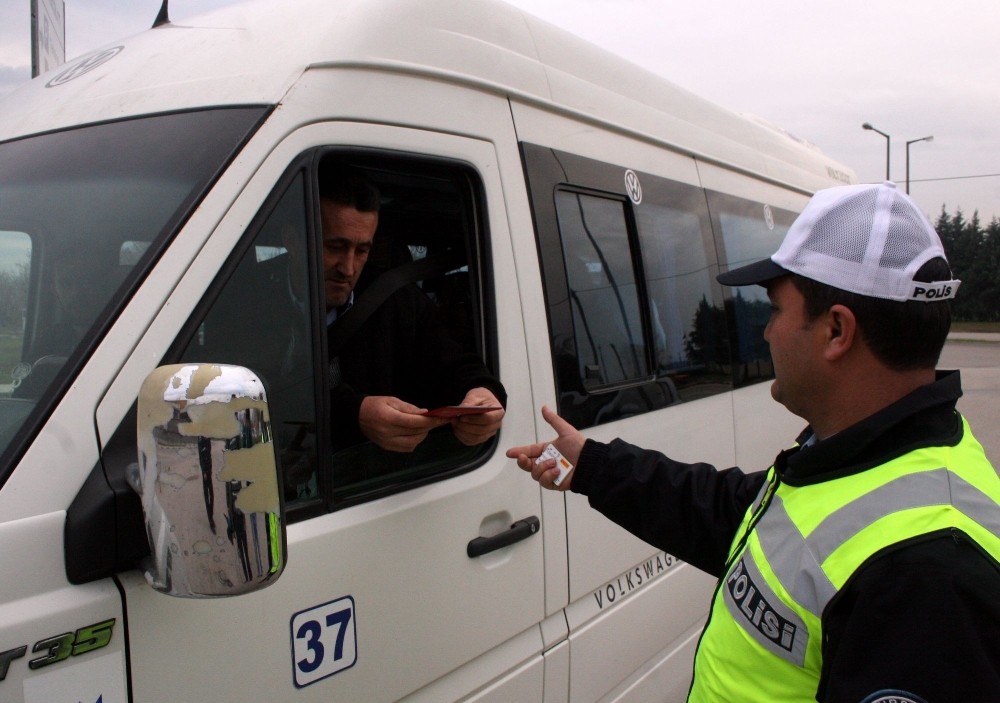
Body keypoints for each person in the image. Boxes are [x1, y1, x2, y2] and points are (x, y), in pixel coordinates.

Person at [507, 181, 1000, 702]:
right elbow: (730, 511)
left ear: (837, 330)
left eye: (774, 311)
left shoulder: (927, 573)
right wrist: (590, 465)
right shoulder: (860, 458)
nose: (765, 333)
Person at [318, 162, 506, 453]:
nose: (349, 267)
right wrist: (352, 413)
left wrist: (483, 394)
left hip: (382, 481)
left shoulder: (395, 300)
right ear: (295, 239)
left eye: (362, 250)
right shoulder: (251, 304)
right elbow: (265, 392)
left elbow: (455, 363)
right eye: (335, 247)